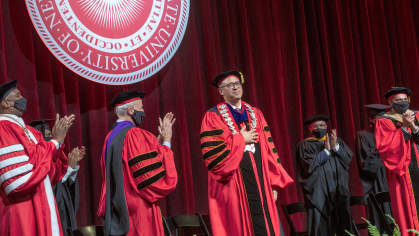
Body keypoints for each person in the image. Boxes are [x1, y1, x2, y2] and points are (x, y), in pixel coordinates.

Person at [200, 71, 293, 236]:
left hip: (262, 184)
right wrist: (240, 139)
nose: (235, 87)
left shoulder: (255, 113)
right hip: (233, 186)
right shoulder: (213, 117)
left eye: (237, 84)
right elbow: (214, 157)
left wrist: (273, 184)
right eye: (230, 85)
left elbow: (269, 149)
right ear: (221, 91)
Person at [97, 90, 177, 236]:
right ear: (130, 110)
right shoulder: (134, 134)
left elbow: (136, 163)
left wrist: (155, 144)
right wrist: (166, 142)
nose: (143, 111)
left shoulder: (110, 137)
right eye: (141, 108)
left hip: (119, 208)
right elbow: (147, 176)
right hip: (138, 208)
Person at [0, 80, 75, 236]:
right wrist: (54, 142)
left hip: (44, 200)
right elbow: (17, 181)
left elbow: (49, 171)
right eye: (18, 95)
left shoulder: (32, 132)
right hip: (22, 208)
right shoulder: (2, 128)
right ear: (5, 104)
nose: (23, 98)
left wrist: (58, 142)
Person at [296, 115, 353, 236]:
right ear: (310, 129)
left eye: (321, 125)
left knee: (342, 222)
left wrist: (336, 146)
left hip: (338, 189)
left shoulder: (337, 142)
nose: (319, 127)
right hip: (319, 192)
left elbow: (347, 159)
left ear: (326, 127)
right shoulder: (305, 145)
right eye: (315, 126)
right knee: (321, 224)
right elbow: (308, 166)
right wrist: (326, 151)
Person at [28, 119, 85, 236]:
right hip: (51, 211)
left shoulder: (57, 155)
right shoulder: (38, 159)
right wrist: (69, 167)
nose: (52, 138)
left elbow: (64, 185)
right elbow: (50, 184)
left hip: (64, 210)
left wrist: (72, 168)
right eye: (48, 135)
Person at [374, 87, 419, 234]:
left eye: (405, 99)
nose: (403, 102)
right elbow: (387, 148)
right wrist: (405, 128)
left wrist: (415, 128)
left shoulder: (417, 115)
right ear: (390, 102)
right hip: (404, 170)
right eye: (399, 100)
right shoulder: (384, 121)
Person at [355, 104, 393, 234]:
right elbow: (366, 163)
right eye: (378, 120)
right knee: (382, 215)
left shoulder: (392, 133)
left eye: (385, 120)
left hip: (393, 176)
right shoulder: (363, 135)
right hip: (378, 181)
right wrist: (382, 146)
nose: (382, 123)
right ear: (371, 120)